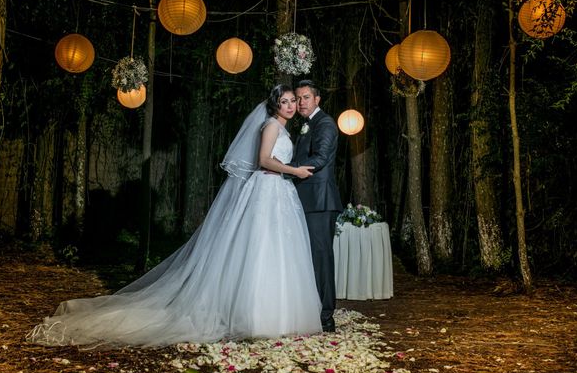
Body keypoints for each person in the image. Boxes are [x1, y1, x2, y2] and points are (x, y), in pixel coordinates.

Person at [27, 84, 322, 348]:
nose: (291, 106)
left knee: (275, 251)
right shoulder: (271, 126)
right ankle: (258, 318)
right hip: (267, 191)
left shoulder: (283, 128)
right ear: (275, 105)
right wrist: (294, 171)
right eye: (284, 102)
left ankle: (277, 314)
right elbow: (263, 161)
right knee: (259, 249)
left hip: (279, 192)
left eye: (292, 101)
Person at [292, 80, 342, 333]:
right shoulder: (306, 124)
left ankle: (326, 316)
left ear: (317, 99)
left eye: (306, 97)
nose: (301, 102)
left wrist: (288, 172)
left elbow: (321, 158)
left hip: (320, 202)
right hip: (306, 199)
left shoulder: (325, 123)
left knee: (322, 258)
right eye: (299, 97)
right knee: (308, 257)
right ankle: (311, 308)